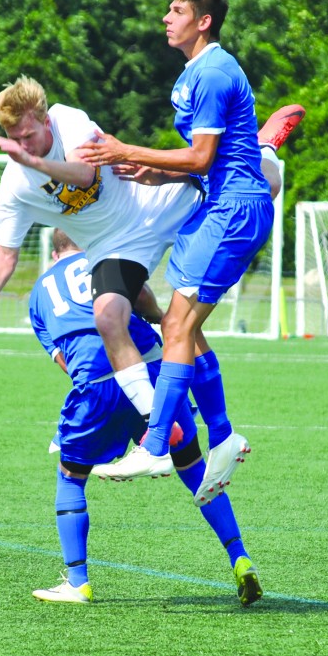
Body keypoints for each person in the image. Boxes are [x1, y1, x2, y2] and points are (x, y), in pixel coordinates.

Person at [81, 0, 298, 505]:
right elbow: (204, 163)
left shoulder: (214, 72)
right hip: (216, 204)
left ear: (203, 22)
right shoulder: (194, 73)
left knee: (177, 324)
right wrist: (148, 170)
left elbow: (202, 157)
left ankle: (158, 442)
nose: (165, 18)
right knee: (185, 327)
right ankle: (222, 435)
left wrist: (125, 148)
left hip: (232, 208)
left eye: (176, 11)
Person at [0, 75, 203, 457]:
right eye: (15, 139)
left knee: (259, 185)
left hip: (153, 201)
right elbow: (5, 253)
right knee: (108, 317)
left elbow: (84, 173)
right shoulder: (16, 183)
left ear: (44, 119)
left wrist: (33, 161)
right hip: (115, 246)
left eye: (28, 135)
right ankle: (158, 428)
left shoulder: (68, 119)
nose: (22, 145)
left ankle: (260, 147)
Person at [28, 229, 262, 606]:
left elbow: (64, 360)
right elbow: (138, 296)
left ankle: (78, 583)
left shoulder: (40, 291)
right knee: (196, 470)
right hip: (153, 368)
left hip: (97, 382)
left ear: (55, 252)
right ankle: (240, 558)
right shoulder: (104, 256)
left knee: (71, 477)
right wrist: (158, 317)